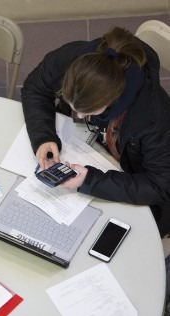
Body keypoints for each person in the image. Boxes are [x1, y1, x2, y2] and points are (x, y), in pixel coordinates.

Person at [21, 26, 170, 237]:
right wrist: (43, 135)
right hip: (87, 149)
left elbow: (160, 185)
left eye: (87, 110)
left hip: (130, 179)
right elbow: (35, 88)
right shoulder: (71, 59)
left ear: (114, 100)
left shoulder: (155, 117)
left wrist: (90, 181)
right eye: (71, 104)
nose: (79, 116)